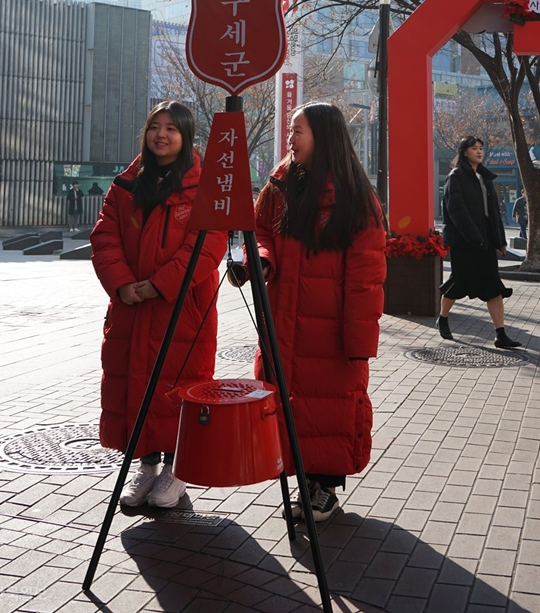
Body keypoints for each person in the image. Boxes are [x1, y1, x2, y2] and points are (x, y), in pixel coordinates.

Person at [249, 103, 386, 522]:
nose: (290, 139)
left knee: (330, 406)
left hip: (331, 329)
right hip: (285, 318)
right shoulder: (280, 184)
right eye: (290, 131)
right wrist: (263, 257)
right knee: (293, 402)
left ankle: (324, 486)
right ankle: (303, 477)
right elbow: (260, 232)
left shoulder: (356, 199)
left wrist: (359, 341)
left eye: (298, 131)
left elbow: (366, 277)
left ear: (323, 137)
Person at [91, 101, 227, 509]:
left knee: (177, 390)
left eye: (171, 128)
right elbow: (104, 237)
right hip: (132, 307)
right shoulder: (126, 184)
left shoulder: (204, 187)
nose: (161, 135)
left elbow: (207, 246)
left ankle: (176, 470)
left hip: (181, 309)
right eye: (155, 126)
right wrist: (123, 285)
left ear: (186, 137)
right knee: (136, 387)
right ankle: (146, 467)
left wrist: (159, 285)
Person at [438, 136, 521, 349]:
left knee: (493, 286)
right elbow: (457, 211)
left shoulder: (484, 178)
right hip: (464, 242)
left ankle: (500, 334)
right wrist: (473, 236)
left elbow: (493, 213)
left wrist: (499, 240)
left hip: (485, 240)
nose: (479, 151)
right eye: (474, 148)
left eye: (481, 148)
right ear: (464, 152)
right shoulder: (455, 177)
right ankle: (443, 317)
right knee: (459, 283)